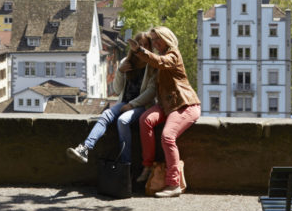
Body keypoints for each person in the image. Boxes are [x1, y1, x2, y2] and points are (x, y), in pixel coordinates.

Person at [66, 31, 157, 165]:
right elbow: (117, 89)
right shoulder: (128, 61)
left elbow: (151, 92)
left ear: (150, 47)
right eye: (140, 44)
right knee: (106, 115)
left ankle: (125, 162)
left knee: (123, 120)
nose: (142, 48)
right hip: (124, 103)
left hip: (142, 106)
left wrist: (132, 105)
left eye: (146, 45)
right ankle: (85, 148)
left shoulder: (153, 65)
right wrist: (120, 71)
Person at [133, 26, 201, 198]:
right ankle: (148, 166)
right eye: (153, 39)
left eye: (158, 39)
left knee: (167, 136)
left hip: (185, 105)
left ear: (167, 38)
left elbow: (160, 62)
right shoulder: (161, 56)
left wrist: (140, 50)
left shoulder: (173, 54)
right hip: (167, 105)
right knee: (145, 120)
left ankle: (174, 184)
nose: (155, 43)